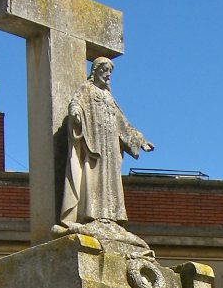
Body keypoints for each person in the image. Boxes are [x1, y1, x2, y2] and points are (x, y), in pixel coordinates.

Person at [58, 57, 154, 229]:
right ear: (96, 71)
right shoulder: (86, 89)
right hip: (94, 144)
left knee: (110, 179)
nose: (108, 75)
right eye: (105, 70)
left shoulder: (109, 97)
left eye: (110, 71)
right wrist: (75, 113)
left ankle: (110, 216)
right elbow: (76, 103)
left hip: (110, 147)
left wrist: (139, 139)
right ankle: (92, 214)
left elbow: (122, 123)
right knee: (93, 177)